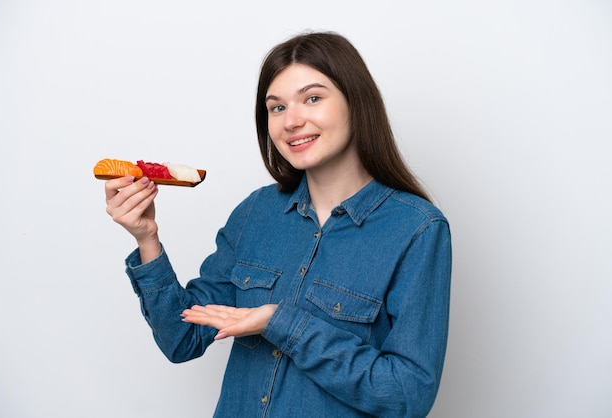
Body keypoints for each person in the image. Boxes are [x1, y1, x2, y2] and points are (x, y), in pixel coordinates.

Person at [104, 31, 452, 418]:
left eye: (313, 98)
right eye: (276, 108)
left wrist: (281, 322)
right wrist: (147, 238)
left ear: (356, 103)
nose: (292, 121)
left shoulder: (417, 230)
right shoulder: (256, 212)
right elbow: (182, 339)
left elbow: (406, 396)